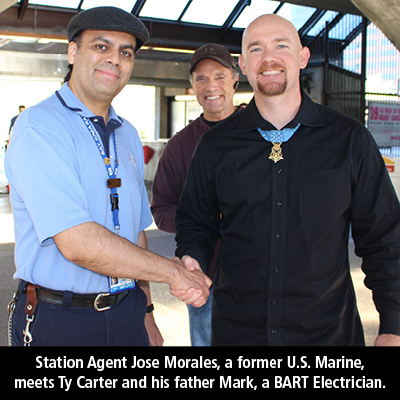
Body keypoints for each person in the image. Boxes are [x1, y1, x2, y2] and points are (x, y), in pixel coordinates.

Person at [174, 14, 400, 346]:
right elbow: (195, 220)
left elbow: (385, 239)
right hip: (239, 336)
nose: (269, 58)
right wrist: (192, 254)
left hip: (328, 337)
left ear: (302, 56)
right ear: (244, 65)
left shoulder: (349, 140)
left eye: (281, 45)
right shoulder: (215, 146)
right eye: (256, 49)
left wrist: (392, 327)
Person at [5, 6, 211, 347]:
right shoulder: (40, 127)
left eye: (125, 52)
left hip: (127, 313)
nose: (114, 59)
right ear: (73, 51)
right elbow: (77, 241)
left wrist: (146, 314)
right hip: (61, 319)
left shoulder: (127, 133)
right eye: (101, 47)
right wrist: (173, 272)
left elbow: (136, 234)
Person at [151, 43, 242, 346]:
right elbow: (162, 208)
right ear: (191, 87)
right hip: (205, 275)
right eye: (201, 79)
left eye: (219, 76)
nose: (211, 86)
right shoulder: (180, 146)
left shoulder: (261, 132)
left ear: (235, 80)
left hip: (262, 272)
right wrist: (201, 220)